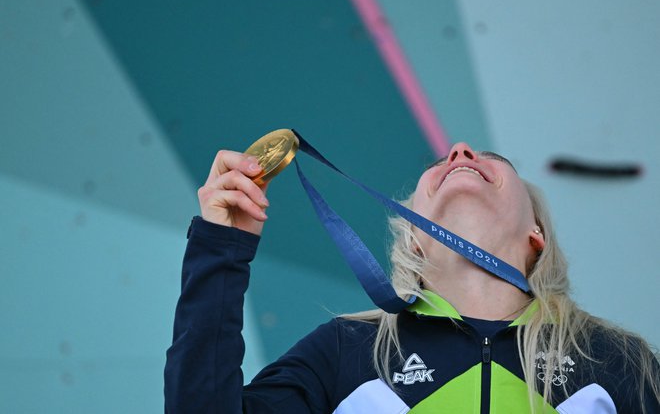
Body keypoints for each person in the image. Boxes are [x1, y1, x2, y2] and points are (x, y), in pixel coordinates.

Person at [164, 142, 660, 413]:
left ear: (537, 234)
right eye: (440, 163)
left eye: (493, 160)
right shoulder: (346, 351)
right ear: (415, 241)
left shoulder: (615, 361)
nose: (460, 152)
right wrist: (220, 248)